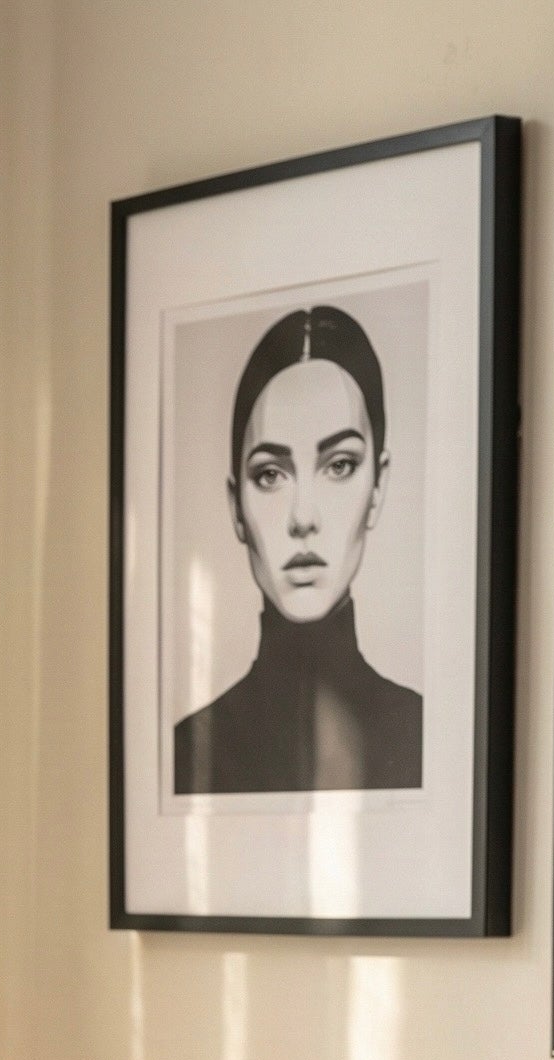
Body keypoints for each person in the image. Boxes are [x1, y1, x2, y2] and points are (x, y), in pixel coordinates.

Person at [174, 304, 422, 795]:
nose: (302, 517)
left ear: (379, 485)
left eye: (340, 465)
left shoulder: (429, 737)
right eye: (270, 475)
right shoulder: (184, 752)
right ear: (236, 506)